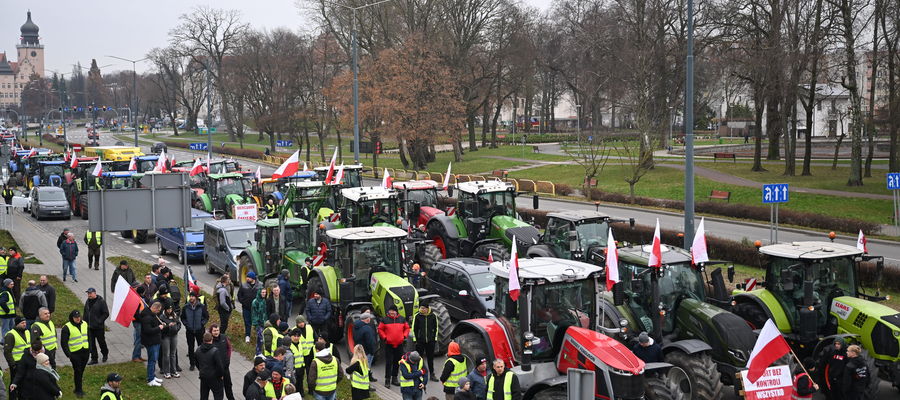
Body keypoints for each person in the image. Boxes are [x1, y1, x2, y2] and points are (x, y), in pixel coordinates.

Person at [379, 305, 410, 388]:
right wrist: (385, 337)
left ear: (396, 312)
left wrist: (404, 336)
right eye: (390, 311)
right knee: (389, 362)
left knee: (397, 362)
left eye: (393, 311)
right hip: (388, 344)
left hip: (399, 344)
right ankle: (387, 379)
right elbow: (380, 329)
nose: (392, 312)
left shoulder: (402, 319)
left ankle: (394, 378)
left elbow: (407, 328)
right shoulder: (384, 319)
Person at [60, 310, 89, 398]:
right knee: (78, 371)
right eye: (76, 318)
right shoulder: (66, 327)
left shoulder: (85, 324)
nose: (78, 319)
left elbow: (89, 336)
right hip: (75, 353)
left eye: (79, 317)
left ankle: (77, 388)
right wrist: (69, 355)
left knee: (81, 371)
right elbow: (63, 343)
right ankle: (79, 390)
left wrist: (90, 348)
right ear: (72, 318)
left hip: (85, 351)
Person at [181, 290, 209, 371]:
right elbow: (182, 318)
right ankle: (192, 364)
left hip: (199, 330)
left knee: (201, 347)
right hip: (189, 330)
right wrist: (186, 324)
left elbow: (206, 317)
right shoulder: (186, 307)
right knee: (190, 347)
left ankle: (201, 363)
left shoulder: (202, 306)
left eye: (193, 296)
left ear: (196, 298)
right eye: (190, 296)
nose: (191, 298)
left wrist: (202, 324)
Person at [3, 317, 29, 399]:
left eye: (25, 322)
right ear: (17, 324)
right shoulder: (11, 335)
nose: (24, 324)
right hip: (16, 363)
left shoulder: (27, 332)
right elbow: (7, 352)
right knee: (14, 383)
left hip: (26, 362)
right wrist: (13, 365)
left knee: (24, 383)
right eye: (22, 323)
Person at [412, 304, 439, 382]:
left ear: (427, 309)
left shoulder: (433, 316)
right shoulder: (417, 316)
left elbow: (436, 328)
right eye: (421, 308)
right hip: (420, 341)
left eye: (423, 308)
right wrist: (415, 340)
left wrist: (435, 339)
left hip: (430, 341)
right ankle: (420, 373)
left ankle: (432, 374)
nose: (422, 309)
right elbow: (414, 329)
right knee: (419, 358)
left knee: (430, 358)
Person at [141, 301, 164, 387]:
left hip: (155, 341)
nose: (158, 312)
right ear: (154, 308)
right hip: (151, 342)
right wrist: (159, 328)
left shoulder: (152, 314)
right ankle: (150, 379)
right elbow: (148, 330)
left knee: (154, 360)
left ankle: (153, 376)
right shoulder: (147, 317)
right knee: (152, 360)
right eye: (158, 310)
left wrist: (160, 325)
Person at [210, 323, 236, 400]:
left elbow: (229, 348)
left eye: (217, 330)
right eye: (214, 331)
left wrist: (228, 358)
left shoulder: (224, 337)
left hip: (225, 367)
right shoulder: (210, 341)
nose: (216, 332)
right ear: (211, 331)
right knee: (219, 389)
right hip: (216, 370)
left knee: (228, 385)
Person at [196, 332, 225, 400]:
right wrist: (220, 375)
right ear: (212, 339)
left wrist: (201, 369)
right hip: (214, 377)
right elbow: (219, 366)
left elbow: (197, 363)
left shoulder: (198, 350)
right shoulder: (215, 351)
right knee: (218, 395)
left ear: (203, 339)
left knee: (204, 396)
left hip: (203, 376)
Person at [353, 312, 377, 382]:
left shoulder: (356, 326)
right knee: (366, 367)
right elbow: (370, 342)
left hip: (359, 350)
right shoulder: (367, 328)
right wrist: (372, 351)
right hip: (367, 352)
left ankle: (363, 379)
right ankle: (366, 383)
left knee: (361, 366)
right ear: (367, 319)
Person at [160, 304, 182, 379]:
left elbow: (179, 323)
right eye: (168, 309)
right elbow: (161, 328)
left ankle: (173, 371)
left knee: (173, 354)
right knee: (166, 354)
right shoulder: (162, 317)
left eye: (171, 309)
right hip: (166, 336)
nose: (170, 311)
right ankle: (166, 371)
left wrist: (176, 329)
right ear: (165, 310)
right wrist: (168, 326)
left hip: (174, 335)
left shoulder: (174, 315)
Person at [237, 271, 260, 344]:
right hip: (246, 308)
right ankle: (247, 336)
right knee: (247, 322)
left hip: (256, 309)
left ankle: (258, 335)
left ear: (253, 278)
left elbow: (263, 295)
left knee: (257, 322)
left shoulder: (260, 285)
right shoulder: (243, 285)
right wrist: (243, 302)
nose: (247, 278)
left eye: (249, 277)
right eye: (247, 277)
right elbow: (239, 295)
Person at [251, 287, 269, 355]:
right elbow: (254, 314)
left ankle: (261, 352)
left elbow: (265, 312)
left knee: (263, 339)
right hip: (259, 323)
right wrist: (256, 324)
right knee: (260, 339)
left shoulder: (264, 300)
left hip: (264, 322)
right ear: (259, 293)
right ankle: (258, 353)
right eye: (262, 292)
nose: (264, 294)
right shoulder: (255, 302)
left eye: (265, 292)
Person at [131, 287, 146, 362]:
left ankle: (138, 356)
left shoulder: (139, 298)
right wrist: (143, 319)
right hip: (138, 322)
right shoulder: (137, 300)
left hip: (139, 321)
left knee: (140, 339)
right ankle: (135, 356)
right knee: (138, 339)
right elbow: (136, 314)